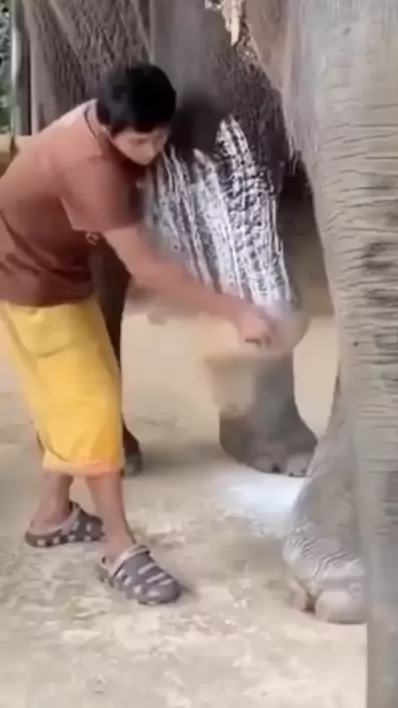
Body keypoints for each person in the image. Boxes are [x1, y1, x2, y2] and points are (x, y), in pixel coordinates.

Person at [0, 63, 274, 605]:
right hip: (29, 283)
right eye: (138, 141)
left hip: (55, 272)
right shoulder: (90, 168)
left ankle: (53, 514)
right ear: (107, 128)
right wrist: (236, 311)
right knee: (97, 410)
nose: (150, 151)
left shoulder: (107, 131)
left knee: (78, 397)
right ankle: (119, 548)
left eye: (159, 137)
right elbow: (147, 269)